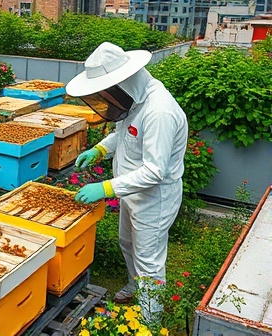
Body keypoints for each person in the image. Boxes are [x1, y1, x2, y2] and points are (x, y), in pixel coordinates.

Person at [66, 42, 188, 319]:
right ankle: (135, 287)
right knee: (127, 243)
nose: (106, 99)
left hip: (154, 198)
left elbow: (155, 171)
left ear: (124, 82)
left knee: (149, 262)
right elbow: (125, 133)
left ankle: (149, 320)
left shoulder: (159, 111)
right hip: (130, 191)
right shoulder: (133, 101)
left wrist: (105, 187)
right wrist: (101, 149)